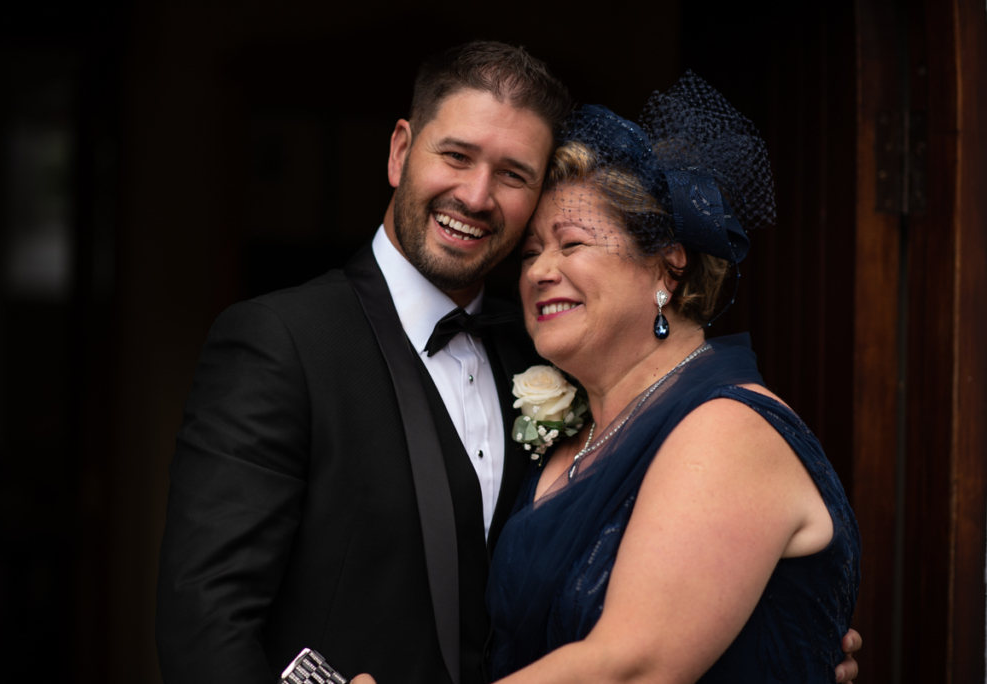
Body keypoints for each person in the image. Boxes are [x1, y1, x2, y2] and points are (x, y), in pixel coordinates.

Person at [156, 42, 862, 684]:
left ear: (668, 271)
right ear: (401, 151)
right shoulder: (279, 341)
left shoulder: (553, 362)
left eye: (513, 174)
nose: (475, 195)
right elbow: (206, 625)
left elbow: (638, 641)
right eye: (456, 156)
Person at [481, 75, 861, 682]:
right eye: (529, 254)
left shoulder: (726, 432)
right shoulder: (573, 442)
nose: (540, 271)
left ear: (668, 265)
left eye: (570, 243)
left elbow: (633, 666)